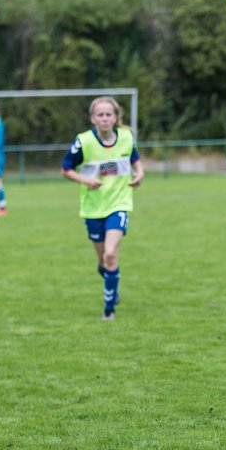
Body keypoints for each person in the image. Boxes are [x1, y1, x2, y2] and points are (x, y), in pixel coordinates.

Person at [61, 96, 144, 321]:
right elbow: (66, 169)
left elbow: (135, 159)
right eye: (100, 115)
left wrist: (140, 174)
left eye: (109, 114)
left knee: (110, 253)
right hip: (92, 207)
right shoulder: (84, 141)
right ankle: (110, 278)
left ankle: (109, 309)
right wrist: (84, 180)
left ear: (115, 117)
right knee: (104, 262)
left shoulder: (126, 137)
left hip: (119, 203)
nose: (105, 119)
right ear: (93, 119)